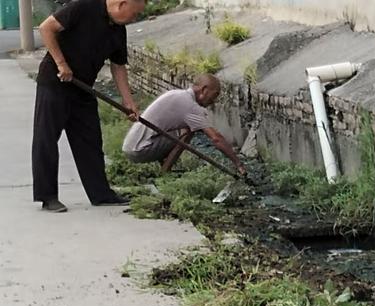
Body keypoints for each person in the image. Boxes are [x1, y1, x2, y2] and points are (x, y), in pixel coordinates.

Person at [32, 0, 146, 213]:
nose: (135, 19)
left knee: (90, 140)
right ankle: (48, 197)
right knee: (46, 139)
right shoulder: (84, 7)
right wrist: (61, 63)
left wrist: (128, 100)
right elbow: (46, 27)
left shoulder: (118, 30)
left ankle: (101, 194)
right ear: (122, 4)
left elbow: (118, 65)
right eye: (135, 13)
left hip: (83, 88)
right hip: (55, 82)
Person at [122, 74, 247, 175]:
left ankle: (165, 166)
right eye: (214, 95)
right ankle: (165, 172)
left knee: (184, 129)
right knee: (188, 131)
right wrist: (238, 164)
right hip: (139, 149)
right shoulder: (190, 106)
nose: (213, 101)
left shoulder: (177, 94)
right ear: (204, 89)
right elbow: (216, 138)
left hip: (132, 145)